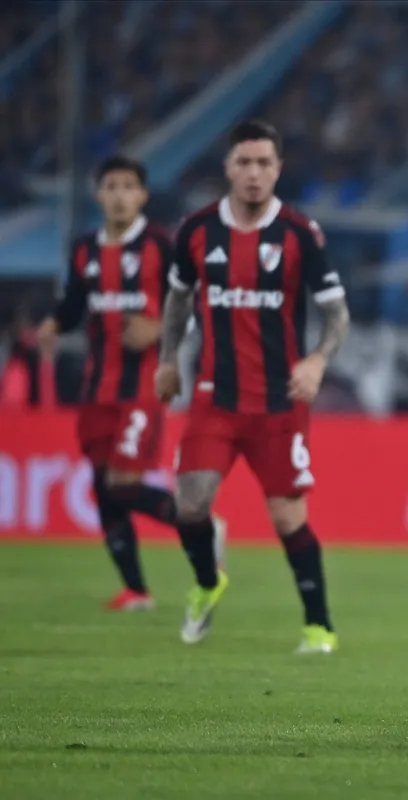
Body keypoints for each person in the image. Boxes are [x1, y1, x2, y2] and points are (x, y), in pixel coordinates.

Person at [155, 120, 350, 653]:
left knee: (288, 519)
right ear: (228, 167)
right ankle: (207, 581)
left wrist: (317, 360)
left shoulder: (299, 234)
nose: (254, 173)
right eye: (244, 162)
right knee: (190, 507)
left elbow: (337, 314)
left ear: (278, 169)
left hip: (279, 403)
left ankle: (318, 627)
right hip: (214, 397)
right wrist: (168, 359)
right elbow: (177, 301)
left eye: (264, 163)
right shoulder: (196, 231)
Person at [36, 156, 222, 611]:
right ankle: (137, 591)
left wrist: (159, 331)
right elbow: (74, 304)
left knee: (122, 483)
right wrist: (54, 324)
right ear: (99, 195)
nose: (119, 195)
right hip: (97, 389)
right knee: (104, 489)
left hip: (143, 387)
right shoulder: (84, 251)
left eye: (128, 187)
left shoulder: (161, 245)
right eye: (111, 186)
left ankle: (201, 525)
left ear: (142, 195)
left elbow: (193, 308)